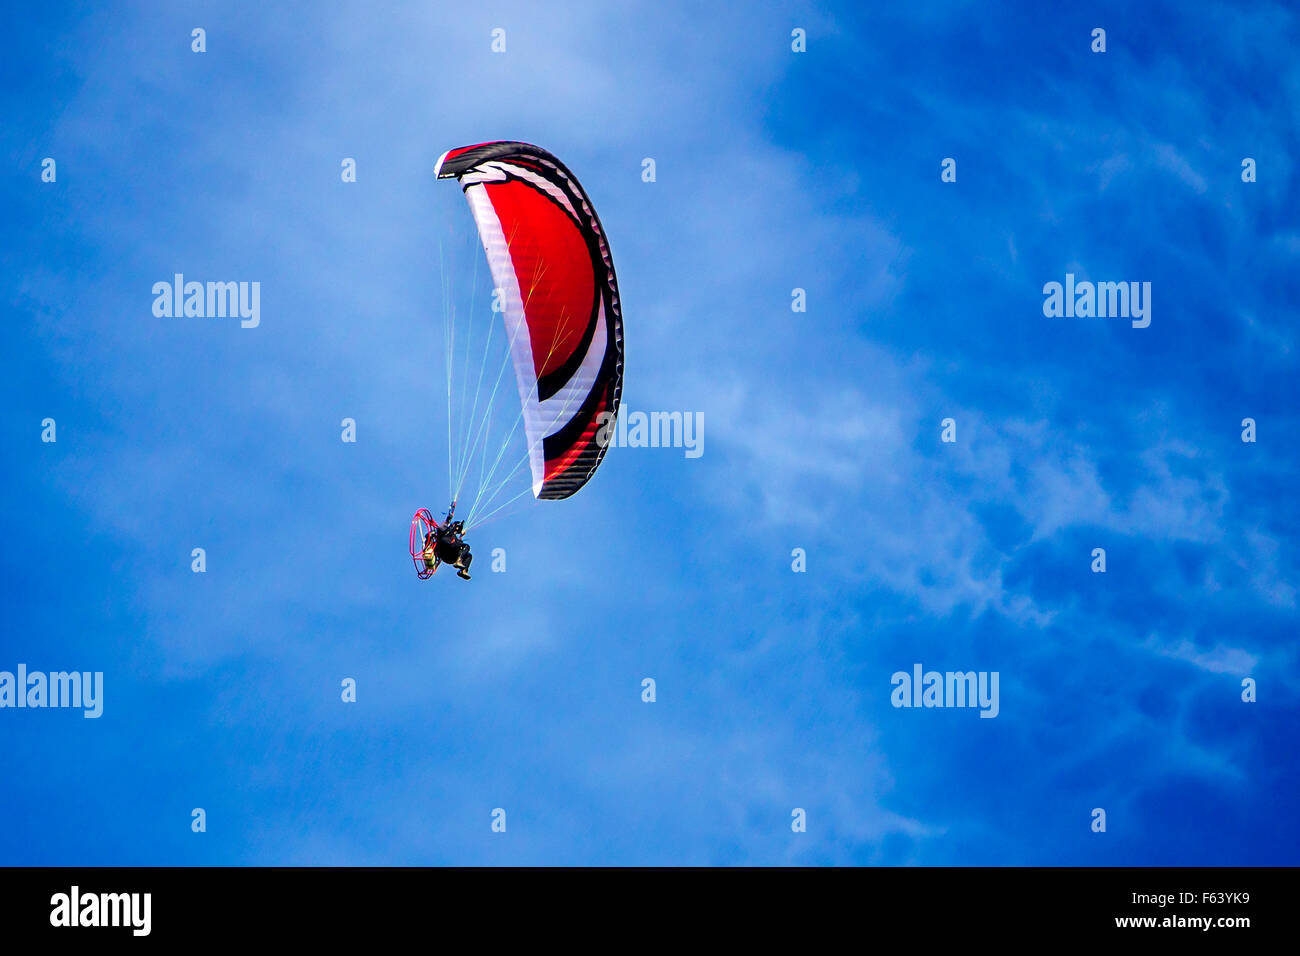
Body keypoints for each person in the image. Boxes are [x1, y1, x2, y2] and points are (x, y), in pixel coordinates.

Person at [427, 514, 472, 580]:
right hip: (446, 548)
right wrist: (448, 519)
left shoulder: (454, 537)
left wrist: (461, 537)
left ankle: (463, 570)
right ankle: (459, 561)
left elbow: (458, 544)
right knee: (466, 546)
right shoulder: (447, 530)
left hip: (449, 557)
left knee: (469, 555)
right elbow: (441, 528)